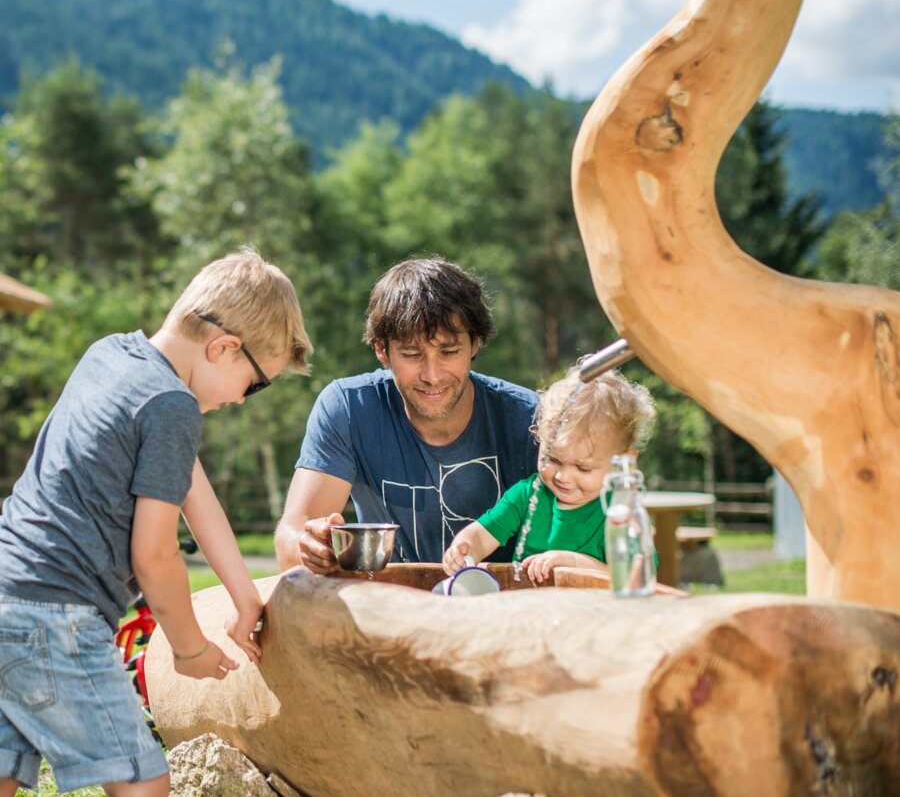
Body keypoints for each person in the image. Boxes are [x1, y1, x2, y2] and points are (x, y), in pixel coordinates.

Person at [0, 247, 311, 797]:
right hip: (56, 613)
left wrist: (246, 599)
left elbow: (195, 492)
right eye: (255, 384)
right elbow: (155, 555)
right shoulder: (172, 406)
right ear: (224, 348)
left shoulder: (112, 356)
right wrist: (189, 649)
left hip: (9, 589)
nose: (243, 401)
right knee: (143, 783)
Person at [275, 256, 538, 571]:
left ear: (475, 344)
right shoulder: (349, 408)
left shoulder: (531, 419)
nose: (432, 375)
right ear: (382, 350)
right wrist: (311, 546)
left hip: (506, 608)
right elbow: (291, 539)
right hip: (390, 608)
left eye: (449, 352)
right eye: (412, 354)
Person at [442, 365, 656, 583]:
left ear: (624, 462)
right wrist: (465, 549)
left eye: (582, 468)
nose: (563, 477)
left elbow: (637, 578)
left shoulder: (621, 513)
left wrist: (572, 563)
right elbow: (481, 535)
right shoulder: (529, 494)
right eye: (552, 460)